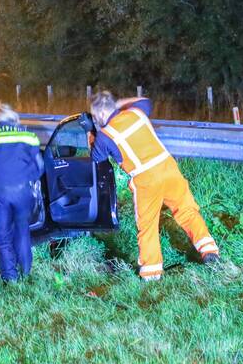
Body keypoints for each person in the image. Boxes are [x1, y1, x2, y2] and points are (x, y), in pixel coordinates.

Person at [90, 91, 219, 280]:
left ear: (101, 114)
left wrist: (90, 133)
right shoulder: (137, 112)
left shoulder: (105, 135)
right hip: (168, 167)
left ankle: (151, 272)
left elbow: (95, 158)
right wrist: (117, 103)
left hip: (146, 179)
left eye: (94, 115)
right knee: (187, 211)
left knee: (148, 225)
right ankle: (209, 251)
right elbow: (144, 100)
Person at [0, 103, 44, 282]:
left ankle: (10, 278)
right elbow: (40, 165)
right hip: (23, 191)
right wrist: (30, 179)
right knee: (22, 229)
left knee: (3, 238)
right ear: (13, 117)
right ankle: (26, 272)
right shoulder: (29, 136)